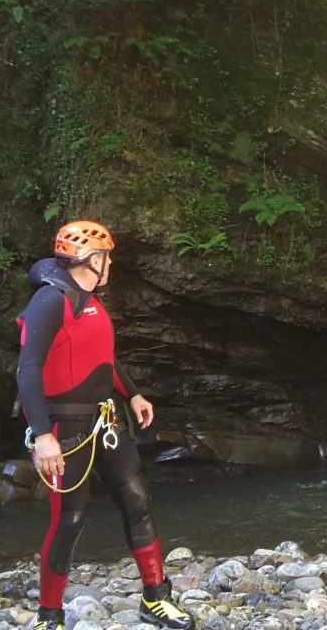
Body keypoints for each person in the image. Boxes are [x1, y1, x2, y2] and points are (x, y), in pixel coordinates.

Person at [16, 220, 194, 630]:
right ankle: (49, 617)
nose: (110, 264)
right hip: (65, 428)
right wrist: (43, 436)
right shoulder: (50, 301)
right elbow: (28, 369)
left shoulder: (89, 299)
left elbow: (102, 356)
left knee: (138, 502)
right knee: (71, 519)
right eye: (106, 257)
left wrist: (132, 394)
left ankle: (156, 599)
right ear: (91, 259)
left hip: (106, 420)